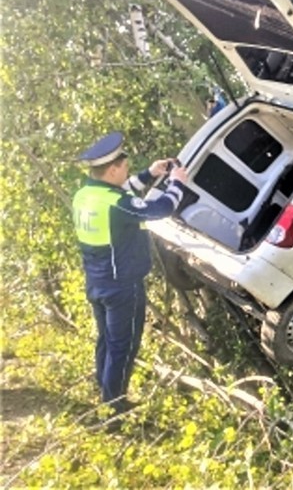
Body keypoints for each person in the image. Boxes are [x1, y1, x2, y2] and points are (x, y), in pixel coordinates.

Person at [72, 131, 187, 417]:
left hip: (97, 282)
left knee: (106, 340)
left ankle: (105, 391)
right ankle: (114, 410)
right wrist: (176, 183)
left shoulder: (85, 195)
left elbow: (122, 193)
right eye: (123, 167)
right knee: (123, 347)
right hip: (123, 286)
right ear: (111, 170)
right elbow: (159, 208)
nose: (126, 172)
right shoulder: (115, 203)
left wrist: (150, 174)